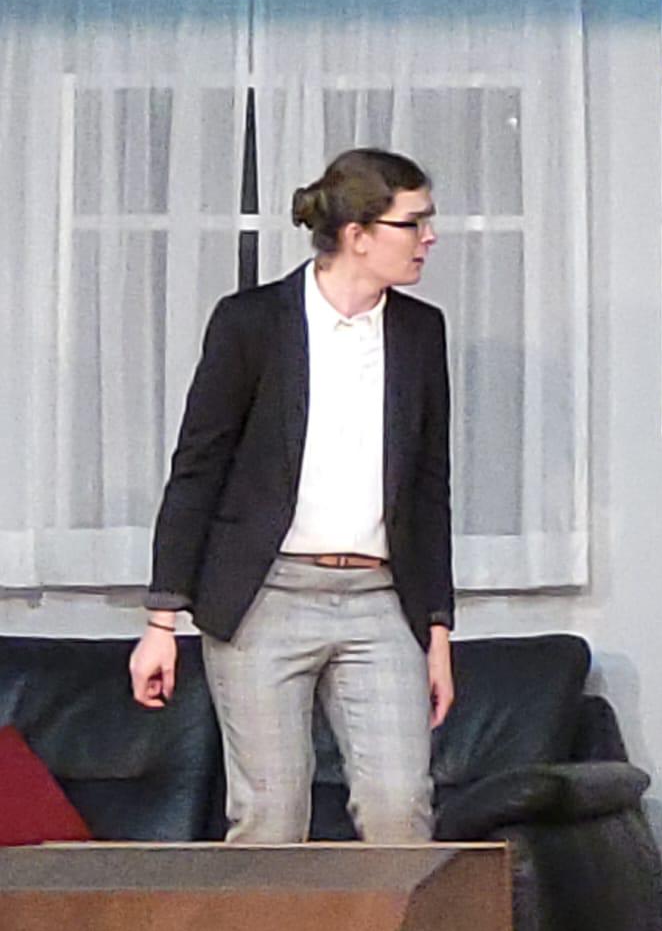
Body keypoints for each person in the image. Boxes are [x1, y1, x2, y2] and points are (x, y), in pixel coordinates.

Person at [128, 147, 454, 843]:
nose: (429, 238)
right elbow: (198, 467)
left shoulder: (420, 332)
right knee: (270, 818)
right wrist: (162, 620)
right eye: (414, 223)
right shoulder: (252, 323)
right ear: (357, 234)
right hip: (265, 596)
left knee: (400, 808)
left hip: (379, 600)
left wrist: (437, 631)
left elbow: (429, 488)